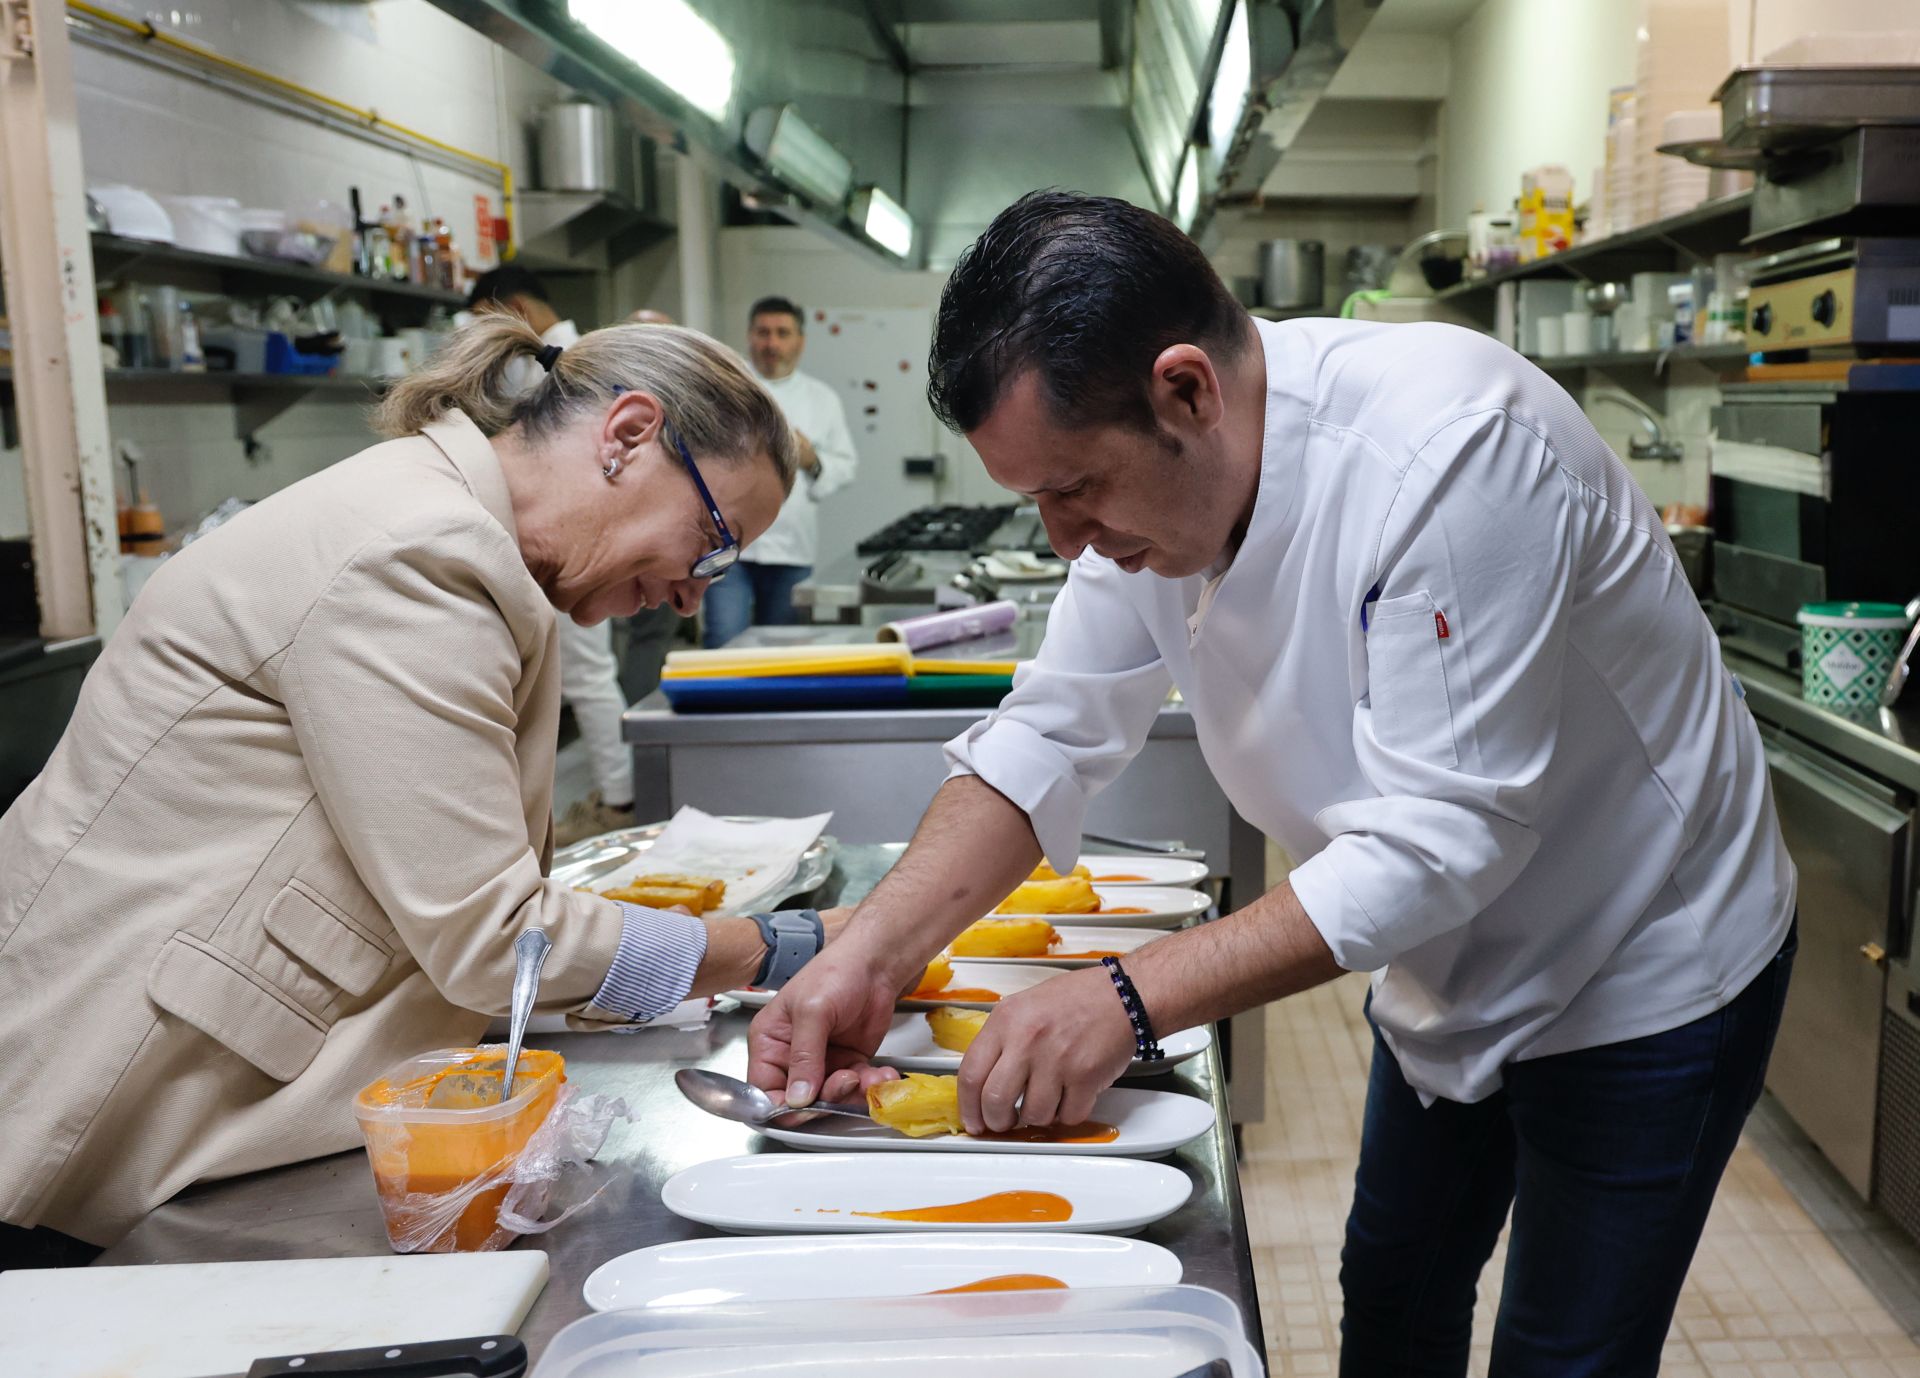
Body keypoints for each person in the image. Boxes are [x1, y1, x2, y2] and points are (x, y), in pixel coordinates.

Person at [748, 191, 1797, 1375]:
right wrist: (869, 952)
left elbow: (1439, 843)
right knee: (1394, 1291)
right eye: (1036, 498)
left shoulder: (1450, 451)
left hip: (1644, 958)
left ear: (1187, 390)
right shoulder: (1151, 498)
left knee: (1565, 1352)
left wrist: (1126, 997)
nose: (1061, 538)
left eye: (1076, 489)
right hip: (1450, 968)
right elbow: (1050, 729)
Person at [0, 313, 844, 1264]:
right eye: (714, 540)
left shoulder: (448, 528)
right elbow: (494, 935)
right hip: (104, 1096)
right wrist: (779, 947)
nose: (695, 594)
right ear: (628, 436)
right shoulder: (417, 554)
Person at [468, 266, 633, 845]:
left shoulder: (561, 361)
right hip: (570, 545)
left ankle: (617, 803)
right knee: (568, 680)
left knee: (579, 677)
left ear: (511, 306)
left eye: (482, 319)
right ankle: (600, 802)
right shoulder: (572, 356)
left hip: (563, 547)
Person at [701, 296, 857, 647]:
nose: (771, 343)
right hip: (728, 545)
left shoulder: (822, 399)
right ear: (749, 336)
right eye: (763, 333)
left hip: (791, 549)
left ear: (800, 341)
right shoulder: (724, 390)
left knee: (783, 647)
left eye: (782, 333)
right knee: (723, 640)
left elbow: (846, 466)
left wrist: (811, 460)